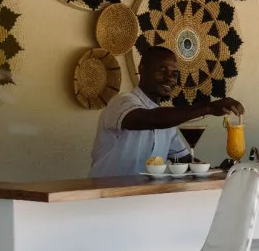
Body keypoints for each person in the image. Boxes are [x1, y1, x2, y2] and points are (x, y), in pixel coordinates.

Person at [89, 45, 244, 177]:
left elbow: (185, 162)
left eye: (174, 74)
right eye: (162, 70)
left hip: (144, 197)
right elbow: (149, 119)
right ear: (142, 69)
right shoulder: (121, 103)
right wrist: (208, 108)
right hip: (105, 196)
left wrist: (219, 170)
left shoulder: (167, 121)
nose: (170, 78)